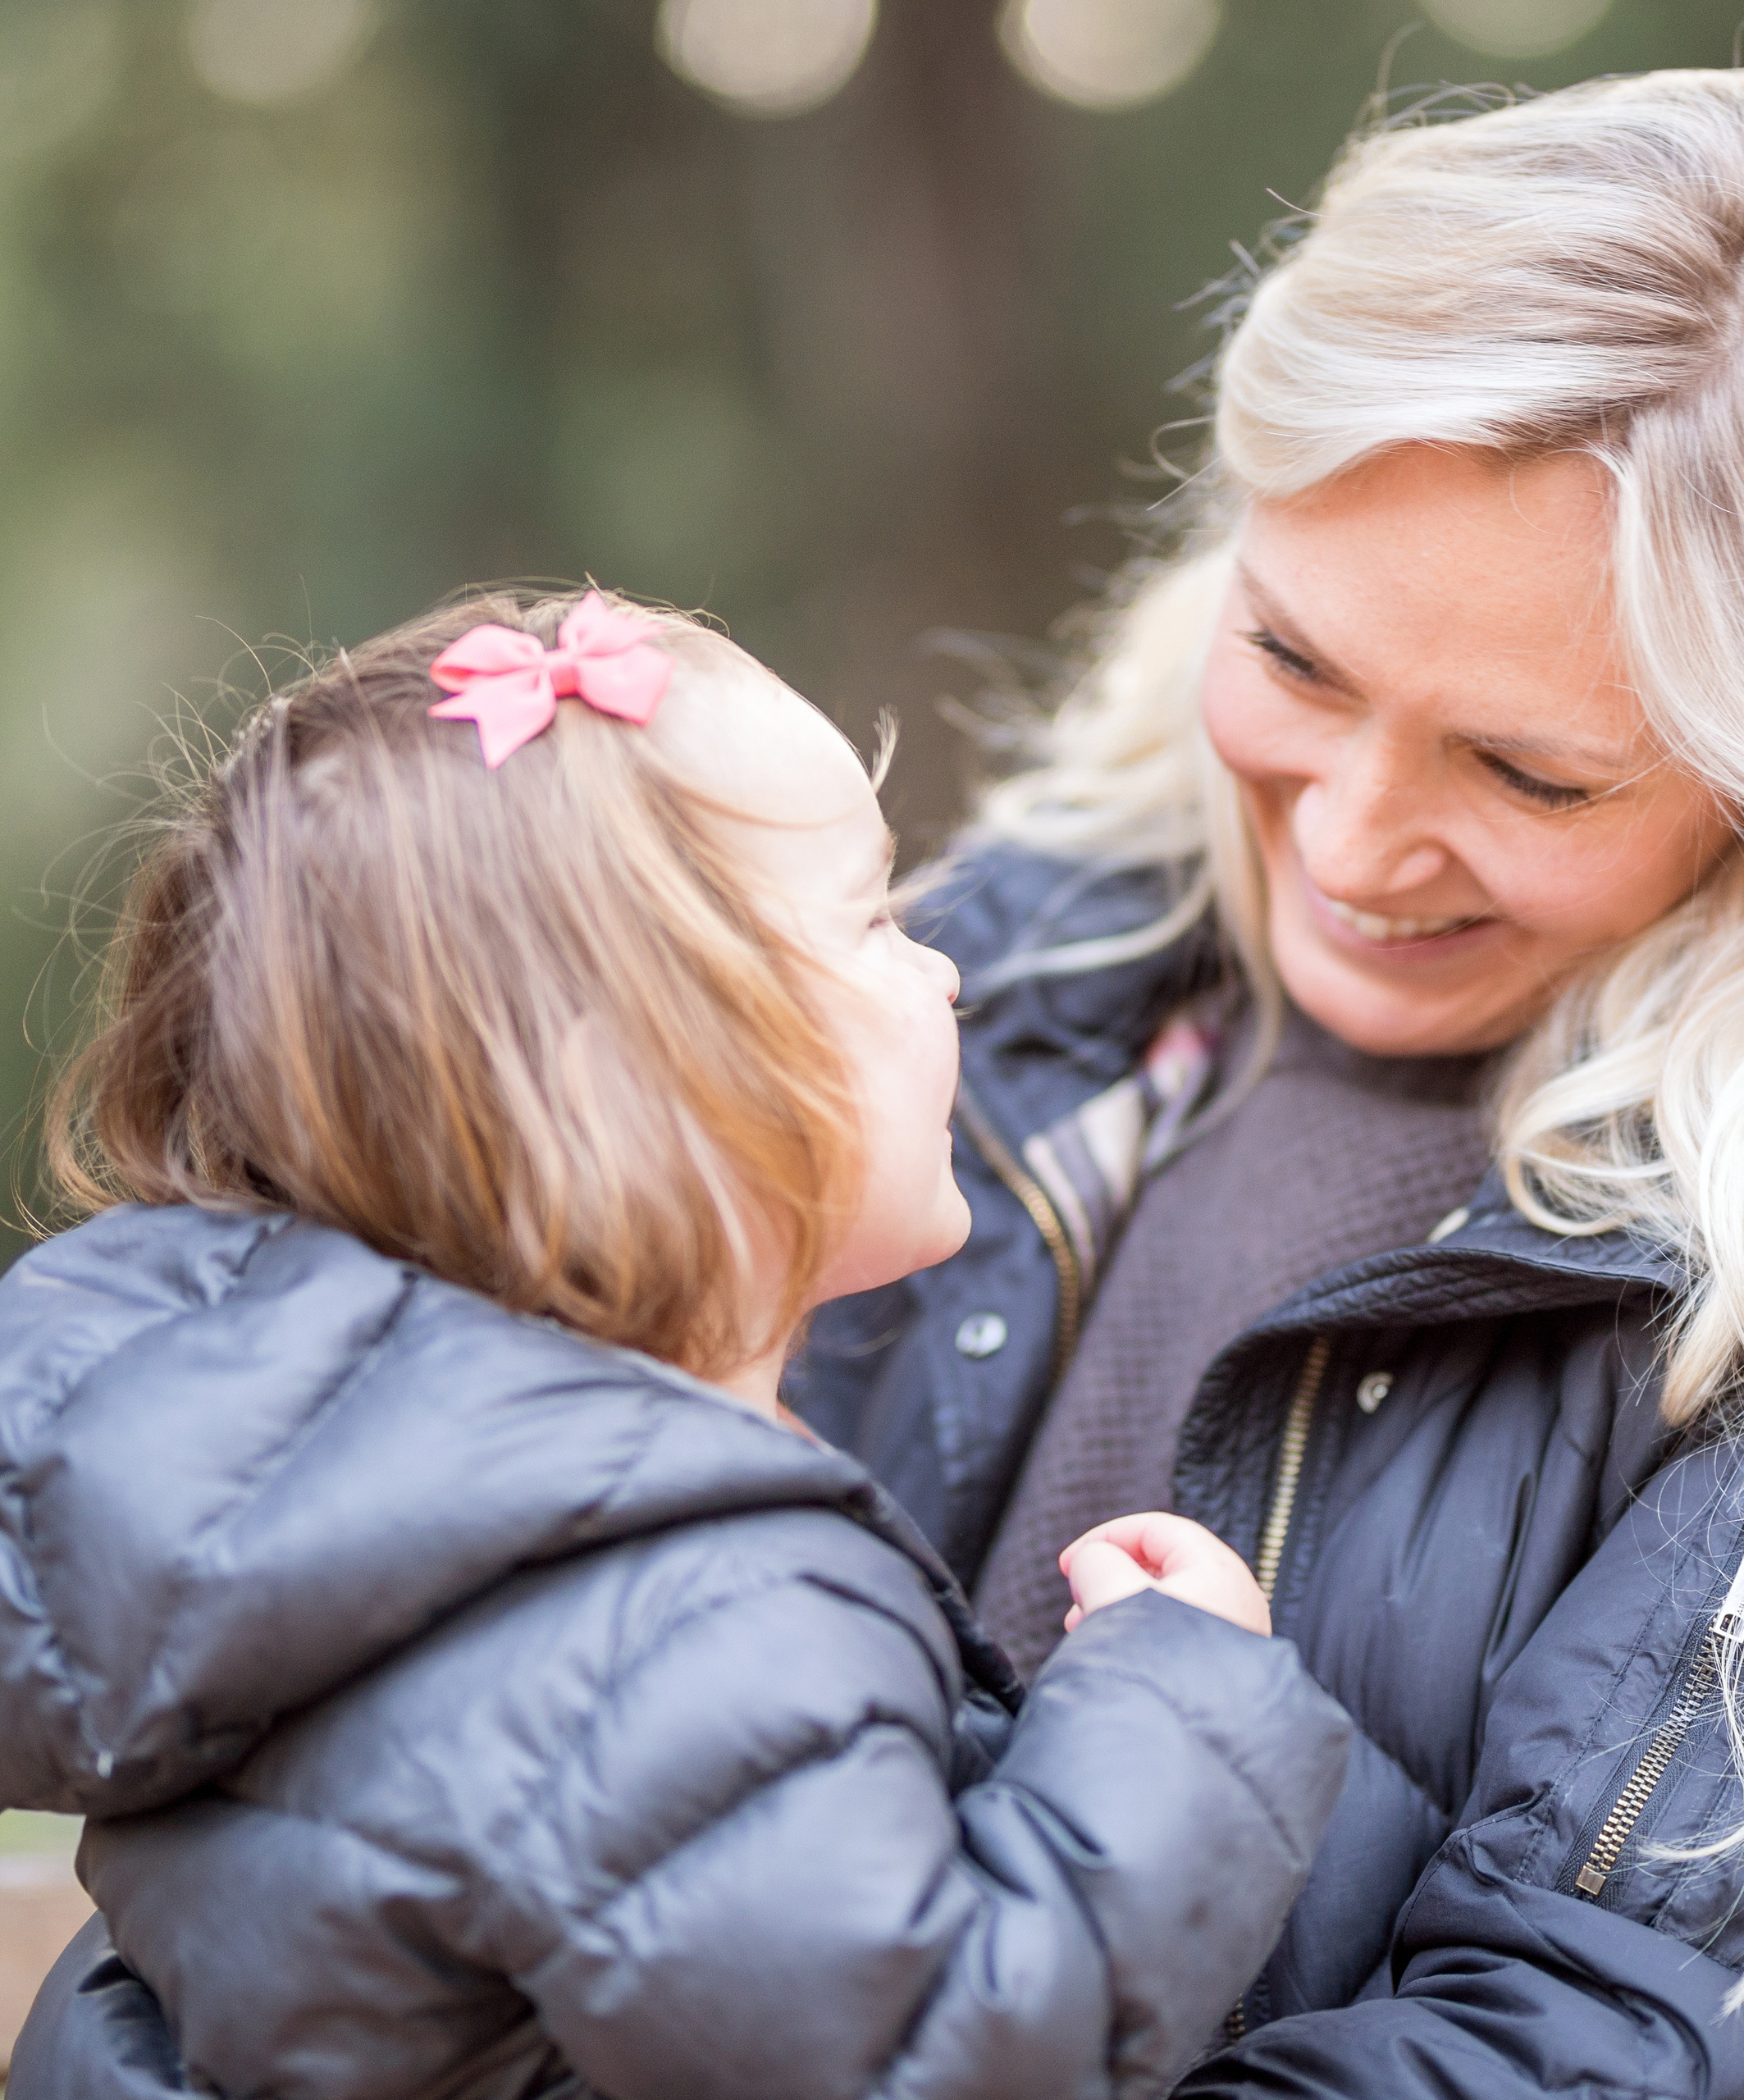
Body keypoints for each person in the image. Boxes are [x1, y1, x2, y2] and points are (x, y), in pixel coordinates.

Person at [788, 66, 1744, 2100]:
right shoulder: (992, 978)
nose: (1349, 838)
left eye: (1526, 770)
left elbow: (1626, 2053)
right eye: (1296, 661)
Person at [0, 588, 1352, 2100]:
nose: (946, 973)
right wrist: (1176, 1712)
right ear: (638, 1099)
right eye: (872, 923)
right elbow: (929, 2060)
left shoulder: (356, 1536)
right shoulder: (659, 1619)